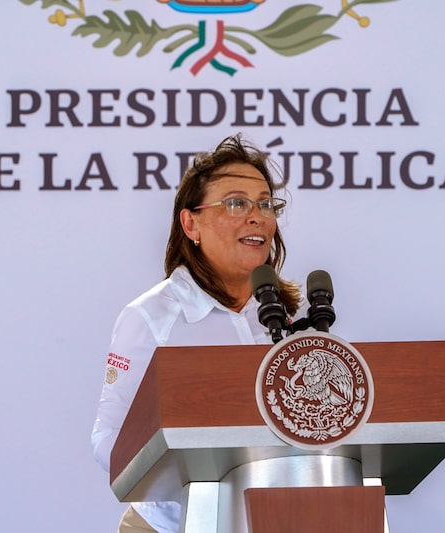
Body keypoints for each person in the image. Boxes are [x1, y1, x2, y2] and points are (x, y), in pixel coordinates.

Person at [90, 133, 303, 533]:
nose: (257, 215)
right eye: (237, 202)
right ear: (191, 223)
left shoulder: (281, 316)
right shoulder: (151, 317)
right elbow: (108, 439)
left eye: (265, 203)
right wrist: (192, 487)